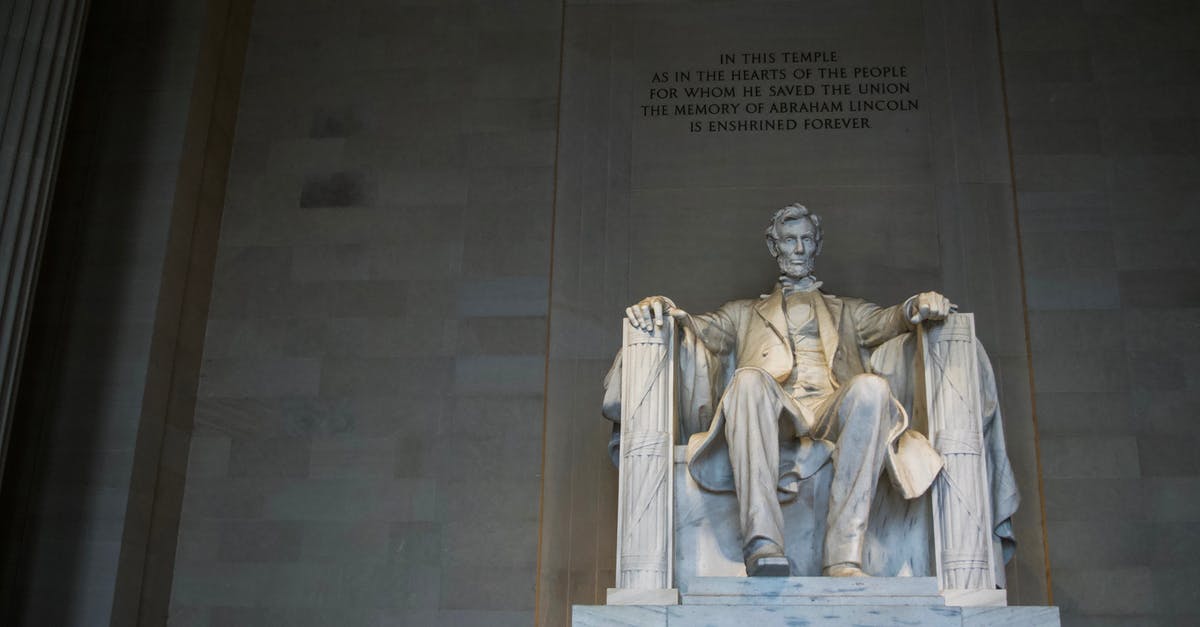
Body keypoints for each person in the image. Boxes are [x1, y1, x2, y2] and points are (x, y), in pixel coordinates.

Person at [621, 204, 953, 577]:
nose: (798, 249)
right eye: (790, 240)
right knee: (747, 380)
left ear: (817, 245)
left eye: (806, 240)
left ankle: (844, 556)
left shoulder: (847, 310)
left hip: (831, 408)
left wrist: (917, 305)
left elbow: (890, 320)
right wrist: (663, 309)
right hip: (776, 412)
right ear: (773, 245)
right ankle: (762, 544)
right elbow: (698, 328)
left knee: (873, 390)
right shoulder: (743, 312)